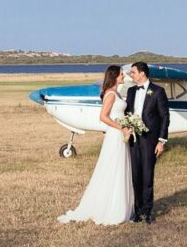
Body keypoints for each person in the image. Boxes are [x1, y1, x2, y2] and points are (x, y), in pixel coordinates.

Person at [57, 65, 134, 225]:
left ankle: (118, 205)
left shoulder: (117, 93)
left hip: (120, 134)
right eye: (121, 74)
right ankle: (110, 207)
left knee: (119, 167)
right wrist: (122, 128)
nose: (124, 76)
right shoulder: (111, 94)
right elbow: (103, 117)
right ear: (114, 77)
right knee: (113, 166)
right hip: (115, 134)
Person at [124, 61, 169, 224]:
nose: (131, 75)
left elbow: (165, 117)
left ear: (142, 73)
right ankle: (137, 211)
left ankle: (147, 211)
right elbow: (127, 113)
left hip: (150, 140)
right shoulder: (130, 91)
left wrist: (161, 141)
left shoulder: (158, 91)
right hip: (133, 140)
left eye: (133, 72)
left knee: (147, 175)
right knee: (135, 175)